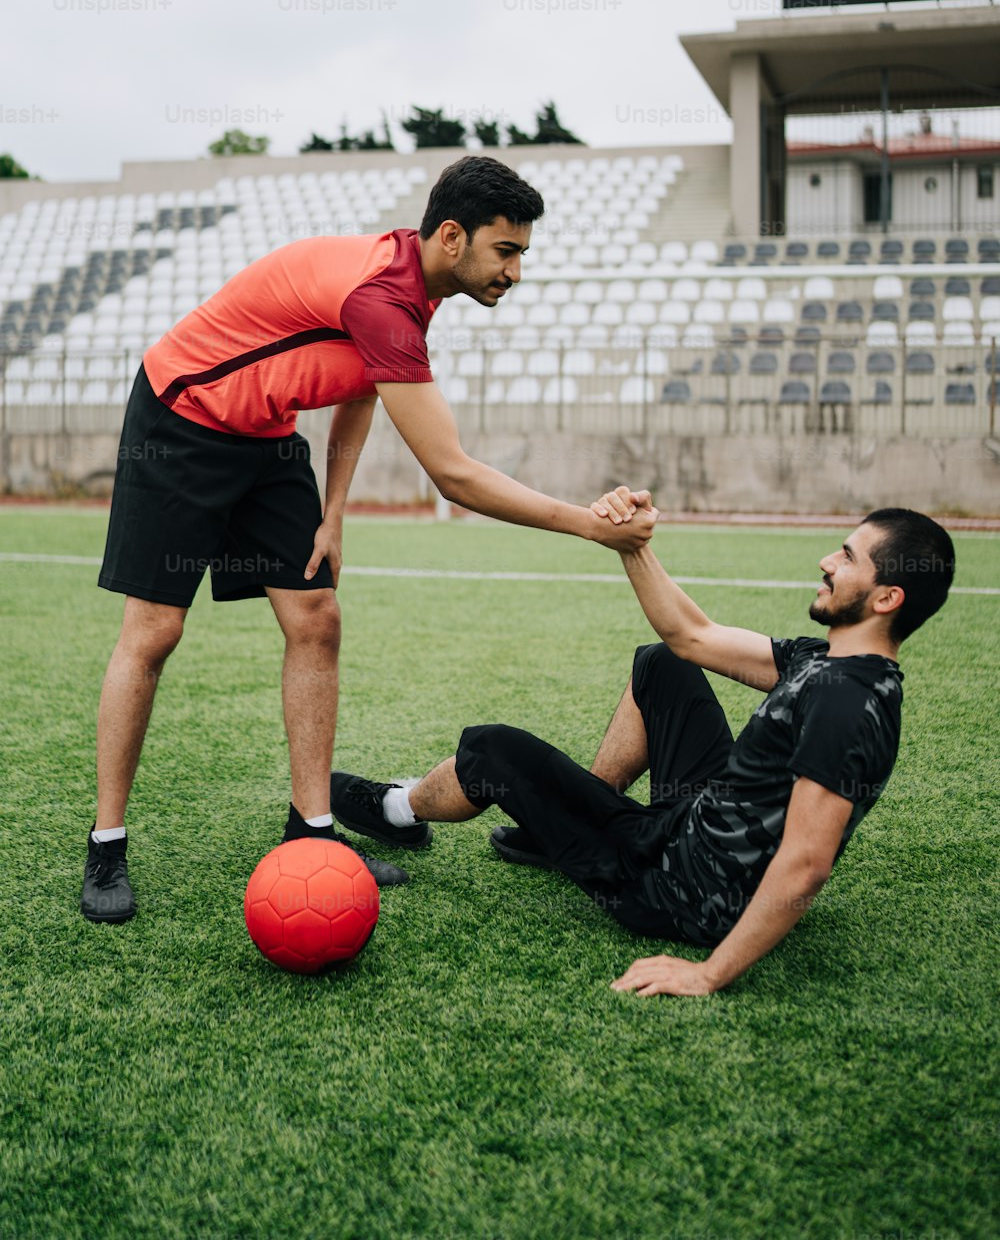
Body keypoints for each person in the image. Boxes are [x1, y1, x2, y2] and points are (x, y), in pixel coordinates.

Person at [81, 158, 654, 924]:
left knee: (316, 618)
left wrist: (334, 509)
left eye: (521, 254)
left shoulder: (417, 286)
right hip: (183, 417)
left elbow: (358, 387)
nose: (516, 271)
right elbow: (452, 474)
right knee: (155, 631)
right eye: (506, 251)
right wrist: (588, 523)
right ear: (451, 237)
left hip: (267, 433)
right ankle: (107, 844)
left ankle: (311, 833)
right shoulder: (384, 297)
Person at [327, 495, 955, 997]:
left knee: (492, 750)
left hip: (682, 889)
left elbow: (808, 864)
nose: (826, 561)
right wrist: (634, 545)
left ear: (886, 598)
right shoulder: (830, 661)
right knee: (665, 664)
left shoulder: (846, 706)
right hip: (699, 822)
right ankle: (565, 831)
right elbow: (693, 636)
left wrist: (709, 973)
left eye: (847, 558)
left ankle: (398, 810)